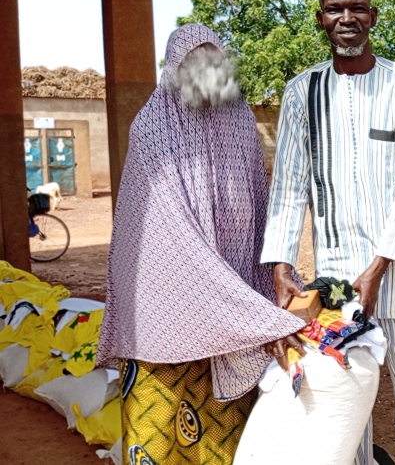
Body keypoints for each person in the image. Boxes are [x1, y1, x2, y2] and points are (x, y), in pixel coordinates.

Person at [97, 23, 306, 465]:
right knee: (159, 435)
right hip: (165, 310)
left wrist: (268, 284)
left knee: (225, 436)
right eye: (192, 60)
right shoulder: (152, 129)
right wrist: (252, 315)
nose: (204, 70)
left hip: (230, 296)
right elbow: (172, 238)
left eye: (213, 58)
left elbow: (259, 203)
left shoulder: (240, 119)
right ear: (173, 68)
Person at [261, 0, 395, 464]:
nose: (347, 19)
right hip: (339, 279)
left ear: (372, 17)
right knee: (347, 405)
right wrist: (280, 263)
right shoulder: (302, 93)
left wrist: (379, 267)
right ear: (321, 20)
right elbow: (290, 183)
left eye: (357, 9)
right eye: (336, 10)